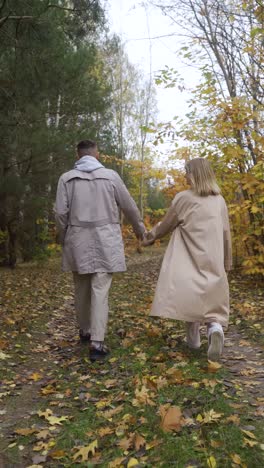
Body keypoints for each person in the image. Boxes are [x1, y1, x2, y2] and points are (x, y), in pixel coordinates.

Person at [55, 140, 145, 362]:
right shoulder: (111, 176)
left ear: (78, 155)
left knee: (81, 288)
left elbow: (59, 213)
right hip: (106, 239)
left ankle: (85, 331)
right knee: (100, 288)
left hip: (77, 238)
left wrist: (63, 236)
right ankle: (97, 343)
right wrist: (140, 230)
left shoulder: (66, 178)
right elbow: (129, 206)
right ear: (96, 154)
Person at [143, 158, 232, 361]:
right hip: (213, 257)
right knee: (212, 300)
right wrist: (227, 261)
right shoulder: (220, 200)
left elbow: (166, 225)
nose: (184, 176)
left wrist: (150, 237)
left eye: (187, 172)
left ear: (195, 174)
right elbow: (227, 233)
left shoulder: (183, 198)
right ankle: (214, 328)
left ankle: (193, 343)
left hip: (188, 256)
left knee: (190, 298)